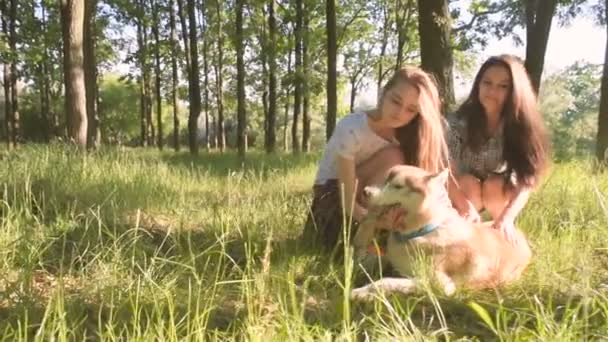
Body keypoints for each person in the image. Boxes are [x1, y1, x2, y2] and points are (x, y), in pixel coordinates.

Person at [302, 66, 448, 250]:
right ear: (383, 92)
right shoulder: (352, 128)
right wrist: (377, 224)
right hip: (334, 201)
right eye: (396, 101)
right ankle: (369, 243)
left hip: (376, 201)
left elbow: (427, 183)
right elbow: (348, 204)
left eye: (411, 110)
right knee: (394, 156)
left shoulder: (408, 135)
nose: (400, 113)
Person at [446, 54, 549, 243]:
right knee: (468, 182)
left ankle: (499, 235)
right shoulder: (457, 123)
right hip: (463, 191)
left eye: (503, 86)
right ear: (478, 84)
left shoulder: (523, 126)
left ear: (515, 91)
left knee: (494, 185)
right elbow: (446, 172)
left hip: (500, 192)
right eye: (487, 83)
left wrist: (507, 217)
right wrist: (464, 205)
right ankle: (465, 235)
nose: (492, 91)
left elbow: (527, 180)